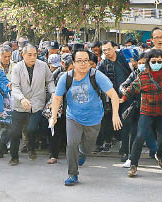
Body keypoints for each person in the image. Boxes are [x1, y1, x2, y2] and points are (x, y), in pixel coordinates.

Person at [50, 49, 122, 186]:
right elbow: (57, 97)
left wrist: (115, 115)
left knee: (88, 148)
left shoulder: (96, 75)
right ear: (74, 63)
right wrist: (53, 116)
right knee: (71, 144)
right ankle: (72, 174)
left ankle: (83, 153)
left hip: (94, 118)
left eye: (86, 61)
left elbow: (113, 95)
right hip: (73, 117)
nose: (83, 64)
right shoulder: (66, 78)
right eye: (79, 61)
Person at [121, 49, 162, 177]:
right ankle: (134, 165)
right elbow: (131, 89)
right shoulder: (143, 76)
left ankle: (160, 156)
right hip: (146, 112)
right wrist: (122, 98)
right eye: (153, 61)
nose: (157, 63)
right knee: (140, 136)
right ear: (149, 62)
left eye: (159, 61)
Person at [10, 44, 55, 165]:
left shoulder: (43, 66)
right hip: (20, 104)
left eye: (35, 54)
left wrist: (54, 93)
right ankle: (14, 157)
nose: (32, 57)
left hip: (37, 103)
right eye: (29, 55)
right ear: (22, 55)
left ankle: (31, 148)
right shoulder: (17, 68)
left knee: (31, 129)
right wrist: (22, 99)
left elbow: (50, 81)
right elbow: (15, 86)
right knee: (14, 132)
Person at [96, 41, 132, 155]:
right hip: (112, 97)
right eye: (104, 50)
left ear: (114, 48)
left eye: (108, 49)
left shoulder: (124, 58)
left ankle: (124, 149)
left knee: (126, 122)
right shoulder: (103, 64)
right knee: (112, 122)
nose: (107, 52)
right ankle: (114, 142)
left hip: (127, 96)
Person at [48, 57, 74, 164]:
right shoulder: (61, 77)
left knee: (72, 135)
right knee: (56, 132)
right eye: (71, 68)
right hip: (61, 109)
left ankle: (73, 157)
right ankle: (54, 155)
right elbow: (56, 94)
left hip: (74, 111)